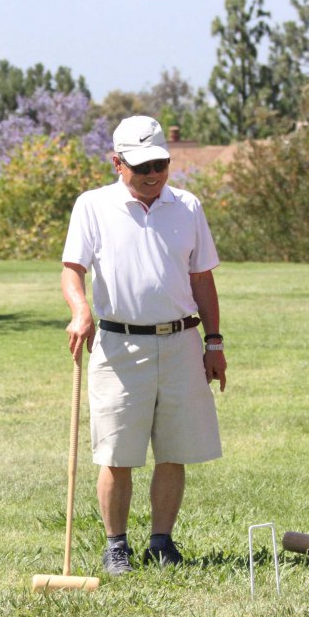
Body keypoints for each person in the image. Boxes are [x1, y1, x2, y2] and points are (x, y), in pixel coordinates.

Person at [61, 115, 227, 575]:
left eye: (160, 164)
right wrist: (80, 310)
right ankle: (116, 546)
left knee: (174, 450)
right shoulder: (92, 205)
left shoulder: (187, 205)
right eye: (141, 167)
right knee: (116, 453)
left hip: (181, 342)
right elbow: (72, 270)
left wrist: (214, 343)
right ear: (117, 163)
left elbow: (202, 278)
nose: (153, 174)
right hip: (119, 345)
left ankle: (161, 542)